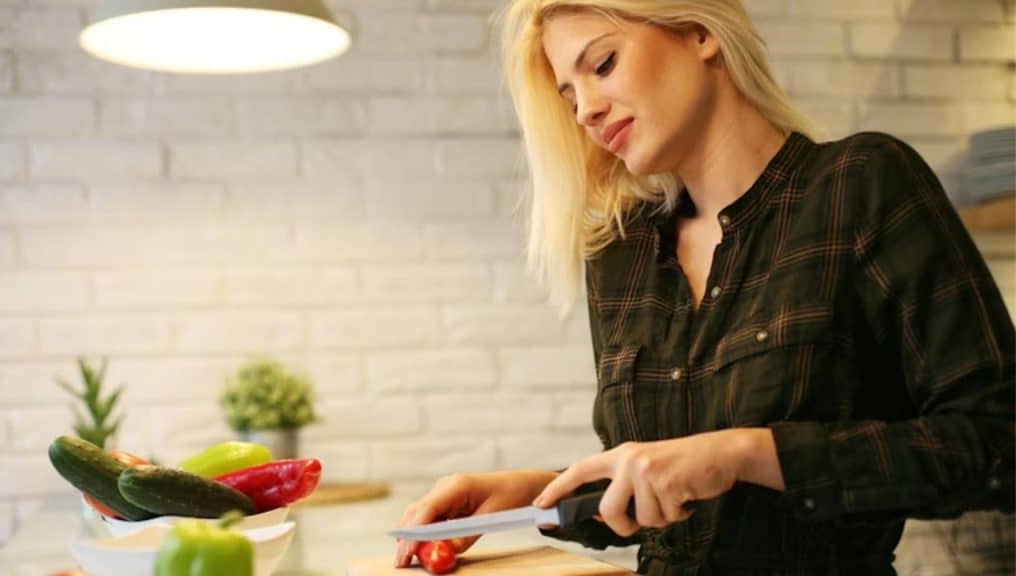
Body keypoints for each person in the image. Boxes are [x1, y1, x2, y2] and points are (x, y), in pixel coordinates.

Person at [394, 1, 1016, 574]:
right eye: (569, 94)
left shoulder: (862, 185)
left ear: (698, 32)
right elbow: (657, 496)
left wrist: (745, 454)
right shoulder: (621, 254)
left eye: (603, 64)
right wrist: (528, 493)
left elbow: (997, 443)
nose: (584, 109)